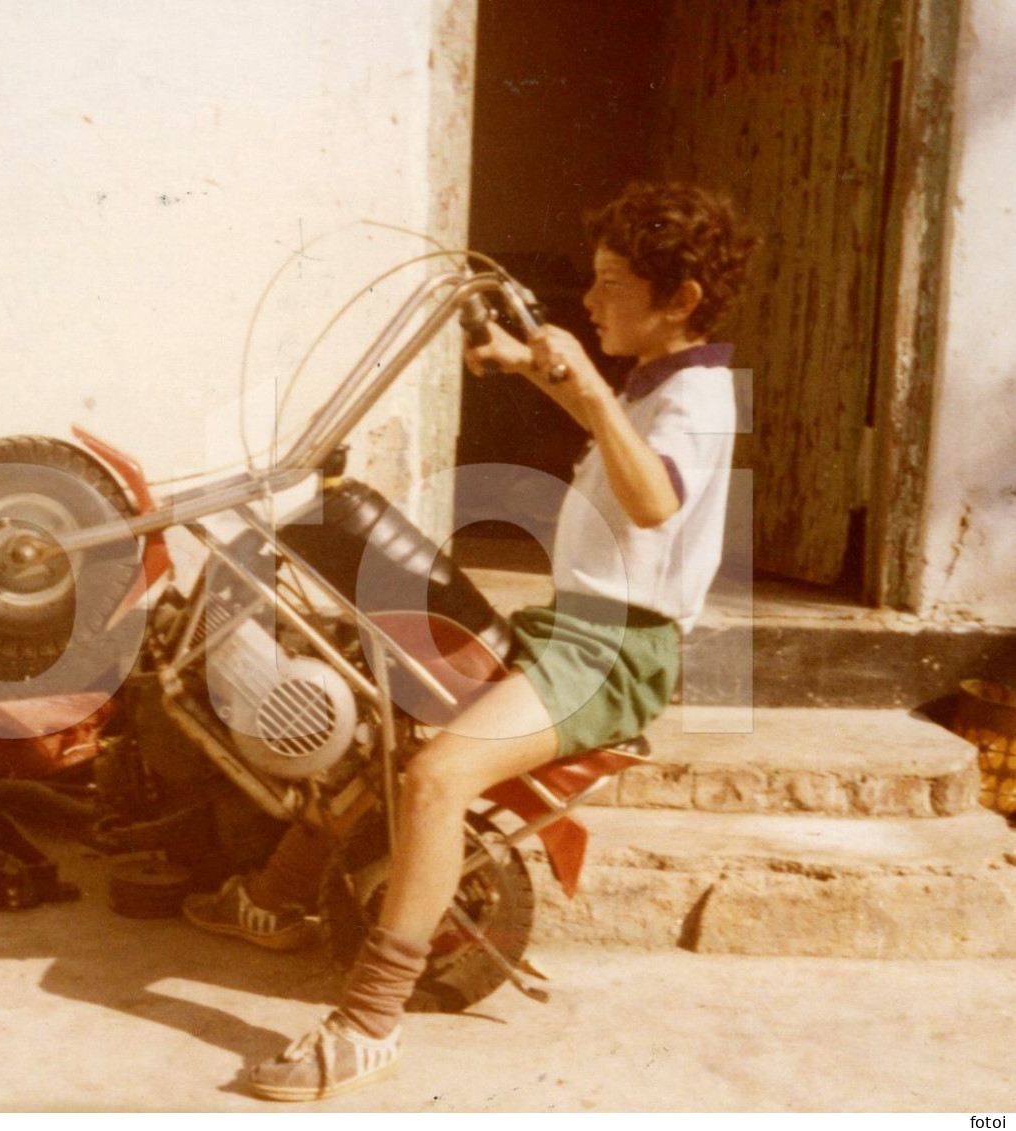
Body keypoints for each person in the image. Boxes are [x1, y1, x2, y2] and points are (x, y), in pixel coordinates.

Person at [181, 182, 757, 1101]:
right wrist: (530, 367)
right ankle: (279, 900)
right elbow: (616, 441)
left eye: (611, 284)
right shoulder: (660, 383)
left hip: (610, 651)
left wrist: (584, 388)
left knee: (436, 775)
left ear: (679, 299)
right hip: (572, 629)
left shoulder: (695, 397)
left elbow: (651, 498)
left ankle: (368, 1024)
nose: (591, 301)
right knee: (385, 701)